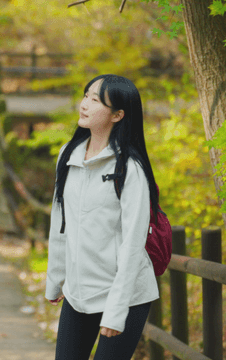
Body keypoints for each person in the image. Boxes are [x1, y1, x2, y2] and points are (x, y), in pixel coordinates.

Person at [45, 74, 160, 360]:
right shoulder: (68, 155)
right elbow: (60, 224)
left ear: (118, 115)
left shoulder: (130, 169)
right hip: (78, 293)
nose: (84, 104)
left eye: (95, 100)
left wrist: (116, 310)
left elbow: (134, 245)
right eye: (86, 96)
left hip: (125, 296)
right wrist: (55, 280)